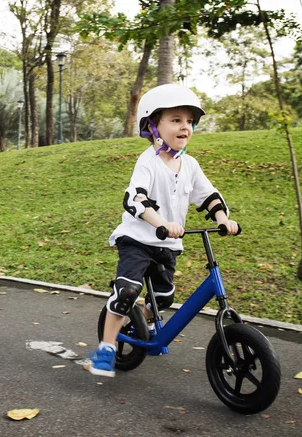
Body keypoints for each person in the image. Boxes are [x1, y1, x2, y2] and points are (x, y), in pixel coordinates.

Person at [88, 83, 239, 377]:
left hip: (168, 245)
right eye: (176, 120)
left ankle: (141, 322)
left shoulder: (190, 165)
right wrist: (161, 223)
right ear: (152, 126)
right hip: (138, 239)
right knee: (127, 292)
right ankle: (106, 348)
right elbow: (136, 198)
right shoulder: (148, 163)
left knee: (165, 296)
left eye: (189, 121)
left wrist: (221, 218)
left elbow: (208, 195)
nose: (186, 127)